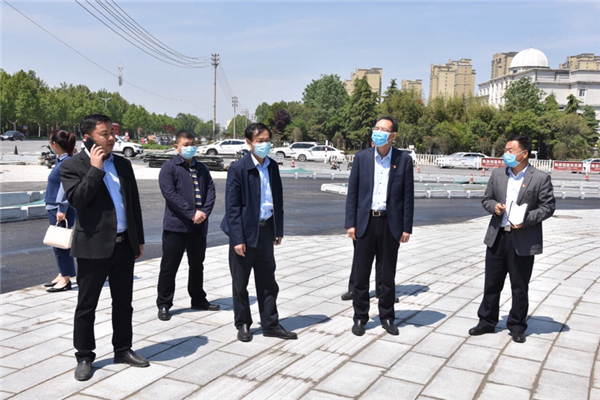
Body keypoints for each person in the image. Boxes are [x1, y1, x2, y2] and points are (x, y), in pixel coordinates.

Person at [60, 114, 148, 381]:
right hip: (92, 246)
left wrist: (138, 238)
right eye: (104, 134)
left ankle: (123, 349)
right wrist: (95, 169)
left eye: (112, 132)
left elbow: (133, 204)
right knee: (87, 305)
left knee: (123, 302)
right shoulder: (71, 166)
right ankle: (84, 356)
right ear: (88, 137)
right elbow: (78, 200)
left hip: (124, 245)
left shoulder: (122, 164)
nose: (111, 138)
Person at [469, 135, 555, 344]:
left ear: (523, 154)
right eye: (505, 150)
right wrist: (495, 207)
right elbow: (486, 199)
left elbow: (548, 207)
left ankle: (517, 325)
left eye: (510, 150)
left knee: (519, 286)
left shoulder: (540, 178)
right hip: (497, 236)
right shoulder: (498, 174)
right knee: (492, 283)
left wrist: (526, 219)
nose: (505, 154)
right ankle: (487, 321)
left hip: (523, 239)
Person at [221, 122, 297, 343]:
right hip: (244, 233)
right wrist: (238, 238)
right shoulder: (239, 169)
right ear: (249, 143)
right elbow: (232, 207)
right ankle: (243, 323)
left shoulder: (272, 167)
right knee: (240, 282)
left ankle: (270, 324)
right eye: (260, 141)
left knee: (268, 281)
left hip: (265, 231)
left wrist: (278, 229)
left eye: (267, 140)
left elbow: (278, 200)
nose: (265, 144)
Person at [345, 116, 414, 336]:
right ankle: (360, 317)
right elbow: (353, 193)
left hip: (389, 224)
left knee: (387, 275)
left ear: (393, 136)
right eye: (376, 128)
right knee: (361, 273)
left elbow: (408, 197)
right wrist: (350, 223)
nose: (378, 132)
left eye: (383, 129)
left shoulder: (403, 160)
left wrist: (406, 227)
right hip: (365, 223)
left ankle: (387, 316)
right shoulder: (362, 158)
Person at [156, 130, 219, 321]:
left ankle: (198, 299)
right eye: (186, 144)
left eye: (192, 144)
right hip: (176, 226)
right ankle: (164, 304)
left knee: (197, 265)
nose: (190, 147)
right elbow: (170, 194)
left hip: (199, 226)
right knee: (169, 267)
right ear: (177, 147)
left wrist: (204, 213)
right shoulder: (169, 168)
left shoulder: (202, 168)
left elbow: (210, 191)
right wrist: (191, 213)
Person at [43, 130, 77, 293]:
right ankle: (62, 273)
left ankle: (65, 279)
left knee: (61, 244)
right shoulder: (63, 160)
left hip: (60, 209)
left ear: (55, 144)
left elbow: (65, 187)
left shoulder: (66, 162)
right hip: (55, 207)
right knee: (57, 244)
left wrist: (61, 208)